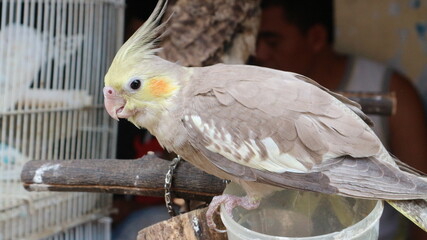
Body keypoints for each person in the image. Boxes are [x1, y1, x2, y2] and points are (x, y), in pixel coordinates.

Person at [253, 0, 427, 239]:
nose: (258, 53)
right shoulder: (255, 96)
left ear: (315, 37)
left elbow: (421, 199)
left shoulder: (389, 90)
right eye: (255, 42)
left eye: (273, 41)